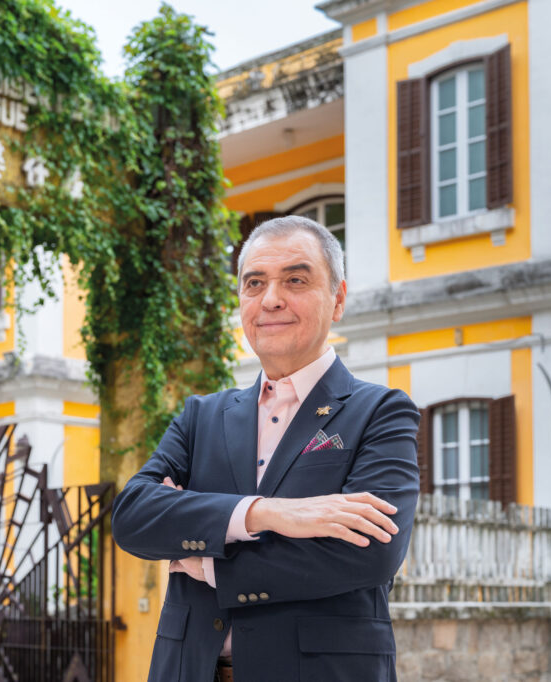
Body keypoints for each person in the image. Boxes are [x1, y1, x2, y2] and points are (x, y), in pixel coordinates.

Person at [111, 215, 420, 682]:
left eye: (295, 280)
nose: (271, 299)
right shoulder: (201, 417)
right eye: (254, 283)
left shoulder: (380, 412)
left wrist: (209, 562)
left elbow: (369, 552)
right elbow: (133, 516)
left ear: (337, 298)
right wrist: (265, 514)